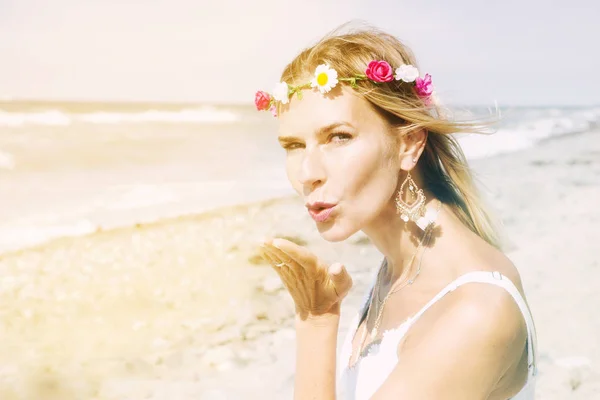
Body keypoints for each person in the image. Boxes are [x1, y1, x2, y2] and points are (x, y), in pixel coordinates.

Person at [256, 23, 537, 400]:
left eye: (338, 137)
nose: (307, 173)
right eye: (293, 145)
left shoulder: (474, 312)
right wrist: (317, 316)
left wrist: (316, 326)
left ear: (408, 144)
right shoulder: (399, 269)